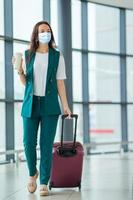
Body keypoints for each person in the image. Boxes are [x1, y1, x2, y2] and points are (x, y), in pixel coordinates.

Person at [12, 21, 72, 196]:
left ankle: (44, 182)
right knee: (28, 142)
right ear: (36, 34)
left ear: (50, 34)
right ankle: (33, 173)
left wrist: (66, 105)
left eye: (48, 30)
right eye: (42, 30)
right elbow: (25, 83)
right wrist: (19, 71)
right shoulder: (28, 55)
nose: (45, 32)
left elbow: (60, 82)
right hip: (30, 104)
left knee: (46, 145)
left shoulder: (57, 56)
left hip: (50, 105)